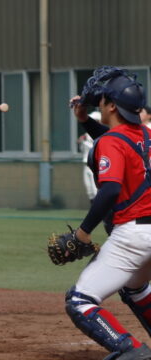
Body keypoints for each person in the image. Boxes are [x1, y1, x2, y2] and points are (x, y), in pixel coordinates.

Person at [66, 66, 151, 359]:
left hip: (133, 235)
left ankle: (129, 348)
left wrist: (82, 232)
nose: (98, 103)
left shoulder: (112, 142)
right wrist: (85, 120)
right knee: (135, 287)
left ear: (112, 105)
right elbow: (117, 142)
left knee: (80, 299)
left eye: (102, 99)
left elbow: (111, 189)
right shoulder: (145, 135)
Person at [77, 111, 100, 203]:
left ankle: (101, 214)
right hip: (85, 163)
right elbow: (83, 150)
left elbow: (95, 148)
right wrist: (81, 142)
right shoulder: (86, 135)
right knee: (89, 190)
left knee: (96, 190)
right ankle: (94, 212)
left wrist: (85, 142)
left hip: (95, 164)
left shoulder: (99, 133)